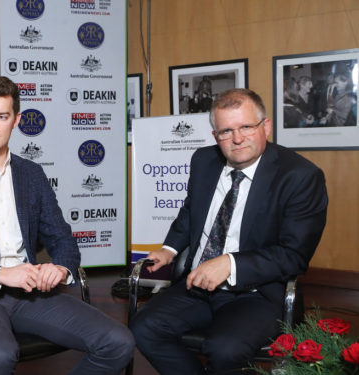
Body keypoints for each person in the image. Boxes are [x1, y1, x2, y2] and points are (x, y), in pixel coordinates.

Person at [0, 74, 134, 375]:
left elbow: (62, 238)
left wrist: (59, 268)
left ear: (16, 120)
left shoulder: (31, 175)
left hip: (31, 294)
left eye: (2, 116)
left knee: (119, 341)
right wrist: (0, 274)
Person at [130, 88, 328, 374]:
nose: (237, 139)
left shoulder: (300, 177)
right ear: (215, 136)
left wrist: (230, 264)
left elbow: (294, 255)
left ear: (266, 126)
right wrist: (169, 249)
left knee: (224, 349)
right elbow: (190, 212)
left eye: (246, 127)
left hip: (257, 293)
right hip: (196, 286)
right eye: (226, 131)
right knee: (143, 328)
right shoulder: (203, 161)